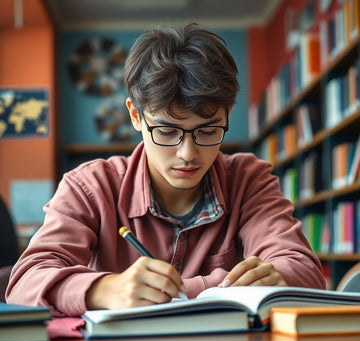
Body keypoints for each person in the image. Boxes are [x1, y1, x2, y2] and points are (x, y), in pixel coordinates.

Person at [6, 23, 325, 317]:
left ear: (228, 113)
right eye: (167, 131)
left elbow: (306, 271)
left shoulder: (248, 179)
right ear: (135, 115)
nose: (188, 154)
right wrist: (104, 289)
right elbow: (24, 283)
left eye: (208, 130)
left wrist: (280, 274)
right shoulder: (89, 186)